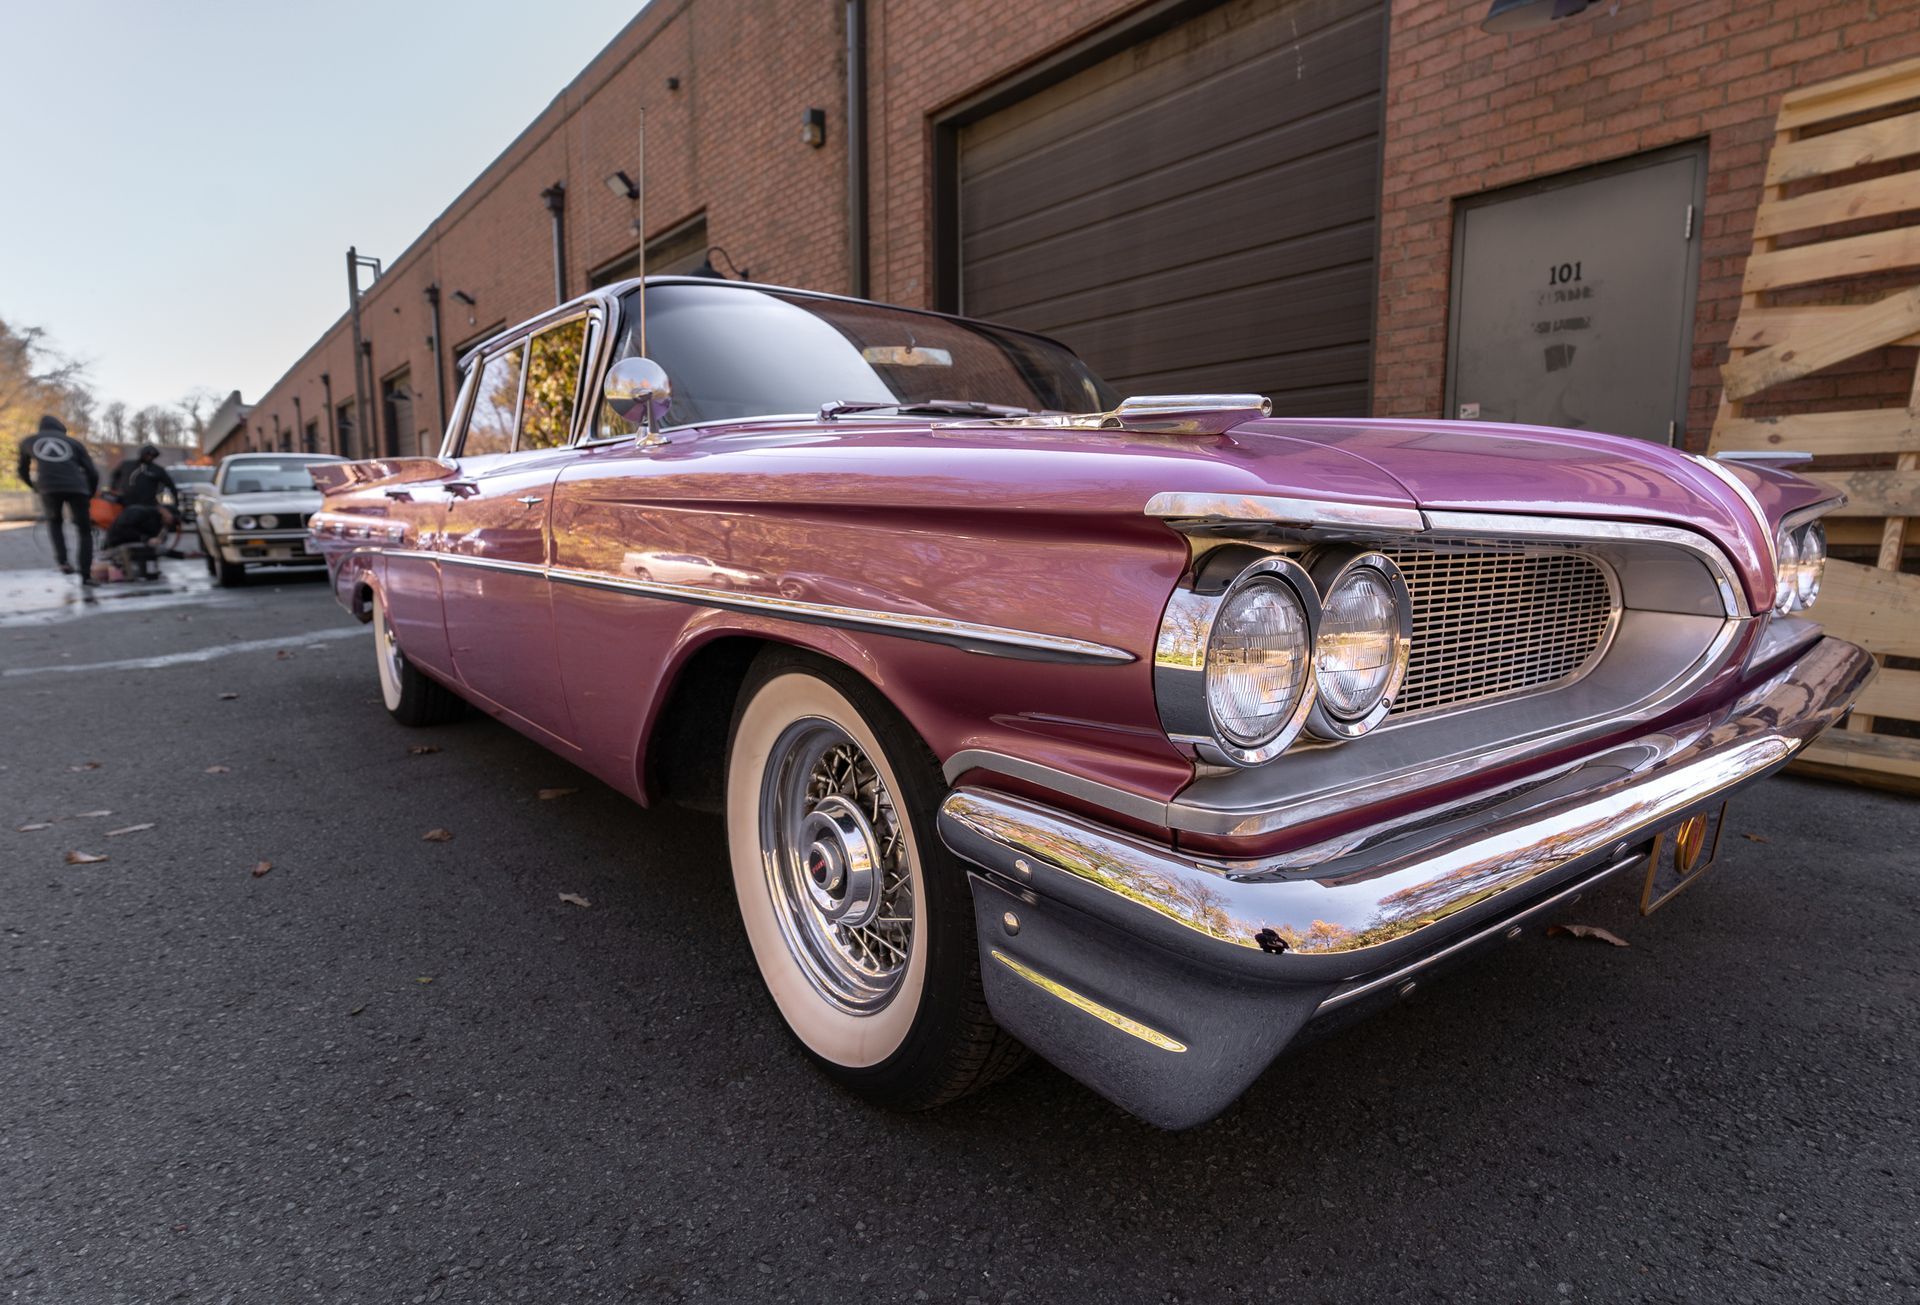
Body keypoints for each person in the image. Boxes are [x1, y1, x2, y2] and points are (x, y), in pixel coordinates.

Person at [16, 413, 100, 583]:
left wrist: (35, 487)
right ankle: (86, 575)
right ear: (61, 429)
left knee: (55, 523)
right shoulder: (75, 443)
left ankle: (63, 562)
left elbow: (22, 470)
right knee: (85, 531)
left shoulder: (28, 441)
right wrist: (89, 493)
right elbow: (92, 472)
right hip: (78, 488)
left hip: (49, 487)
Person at [100, 503, 176, 581]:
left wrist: (182, 555)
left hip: (130, 544)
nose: (172, 520)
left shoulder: (158, 523)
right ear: (163, 511)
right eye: (171, 516)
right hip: (116, 545)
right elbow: (122, 530)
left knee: (155, 547)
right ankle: (133, 572)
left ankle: (147, 571)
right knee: (150, 547)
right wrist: (146, 539)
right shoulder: (140, 512)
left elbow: (159, 546)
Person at [110, 442, 178, 509]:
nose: (149, 457)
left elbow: (171, 486)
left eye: (152, 455)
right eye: (147, 454)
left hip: (147, 505)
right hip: (126, 503)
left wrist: (176, 503)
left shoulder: (157, 470)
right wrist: (114, 489)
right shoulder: (126, 465)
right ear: (142, 454)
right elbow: (114, 476)